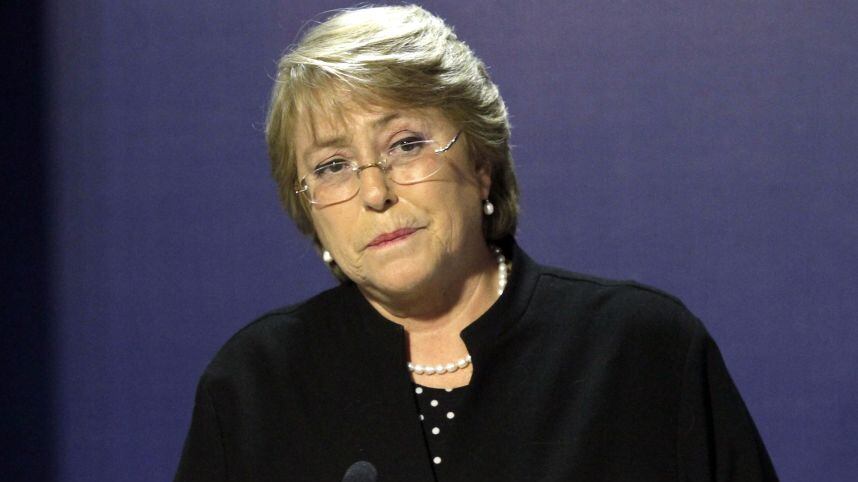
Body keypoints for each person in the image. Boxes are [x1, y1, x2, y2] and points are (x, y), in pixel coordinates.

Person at [174, 5, 777, 481]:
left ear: (482, 162)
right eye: (333, 166)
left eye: (406, 144)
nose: (375, 192)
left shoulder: (642, 351)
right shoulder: (253, 388)